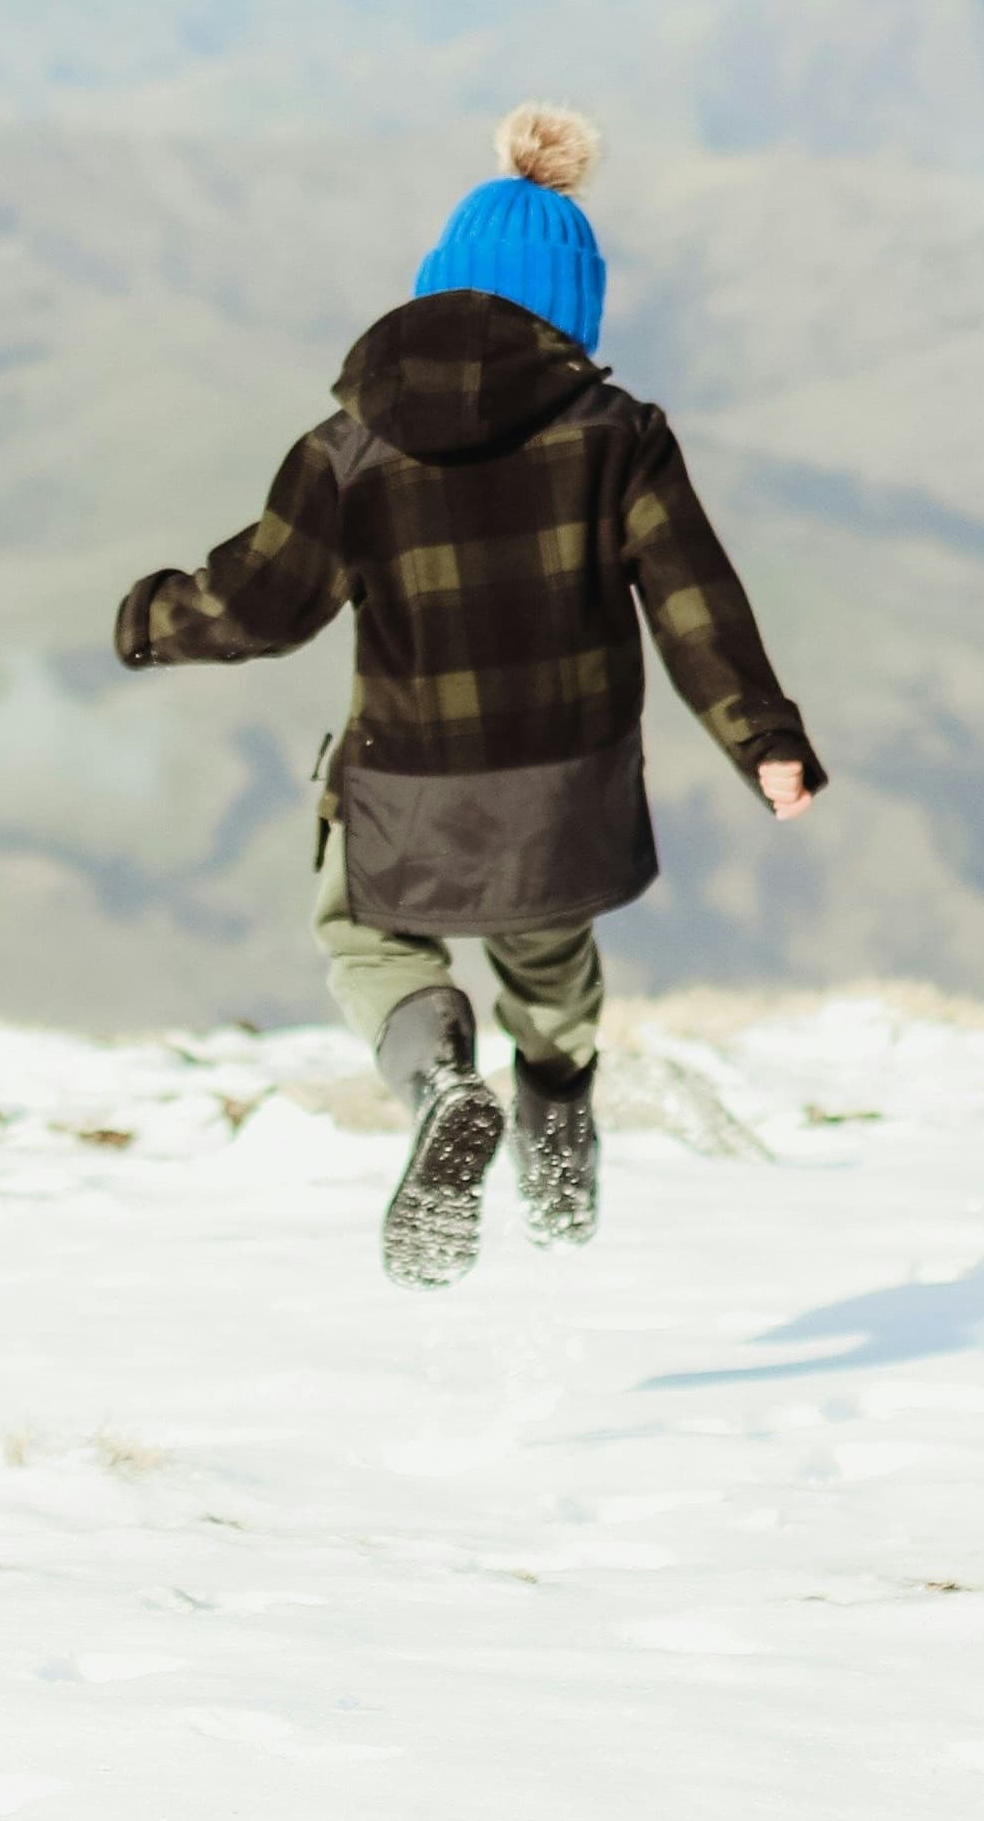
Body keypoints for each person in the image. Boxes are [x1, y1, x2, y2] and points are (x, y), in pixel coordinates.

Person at [111, 105, 825, 1283]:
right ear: (572, 312)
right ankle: (554, 1111)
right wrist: (764, 740)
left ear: (439, 290)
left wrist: (151, 617)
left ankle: (443, 1086)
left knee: (370, 939)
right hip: (567, 784)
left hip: (407, 783)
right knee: (551, 961)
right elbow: (695, 597)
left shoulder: (349, 447)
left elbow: (262, 605)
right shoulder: (618, 436)